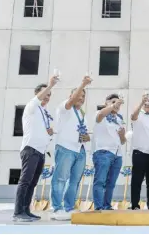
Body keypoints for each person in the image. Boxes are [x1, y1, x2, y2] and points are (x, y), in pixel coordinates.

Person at [13, 76, 58, 222]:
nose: (47, 97)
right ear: (37, 95)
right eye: (45, 93)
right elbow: (39, 98)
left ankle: (26, 210)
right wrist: (50, 85)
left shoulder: (44, 113)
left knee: (32, 183)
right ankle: (18, 212)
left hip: (40, 151)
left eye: (50, 95)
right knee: (25, 181)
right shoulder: (32, 106)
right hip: (30, 149)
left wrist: (49, 133)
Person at [51, 75, 92, 220]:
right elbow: (70, 102)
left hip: (79, 150)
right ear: (71, 96)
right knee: (60, 178)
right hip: (65, 147)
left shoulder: (82, 114)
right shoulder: (65, 107)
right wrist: (83, 84)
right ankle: (56, 209)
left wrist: (87, 137)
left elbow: (82, 130)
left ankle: (68, 208)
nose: (81, 98)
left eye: (83, 96)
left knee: (74, 181)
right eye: (78, 95)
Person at [92, 94, 126, 210]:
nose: (116, 104)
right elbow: (101, 115)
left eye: (118, 103)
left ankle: (107, 206)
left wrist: (122, 136)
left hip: (117, 155)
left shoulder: (119, 119)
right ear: (106, 103)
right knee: (100, 181)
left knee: (111, 184)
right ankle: (98, 207)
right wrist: (113, 106)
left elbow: (123, 141)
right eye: (112, 101)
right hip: (103, 152)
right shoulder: (100, 113)